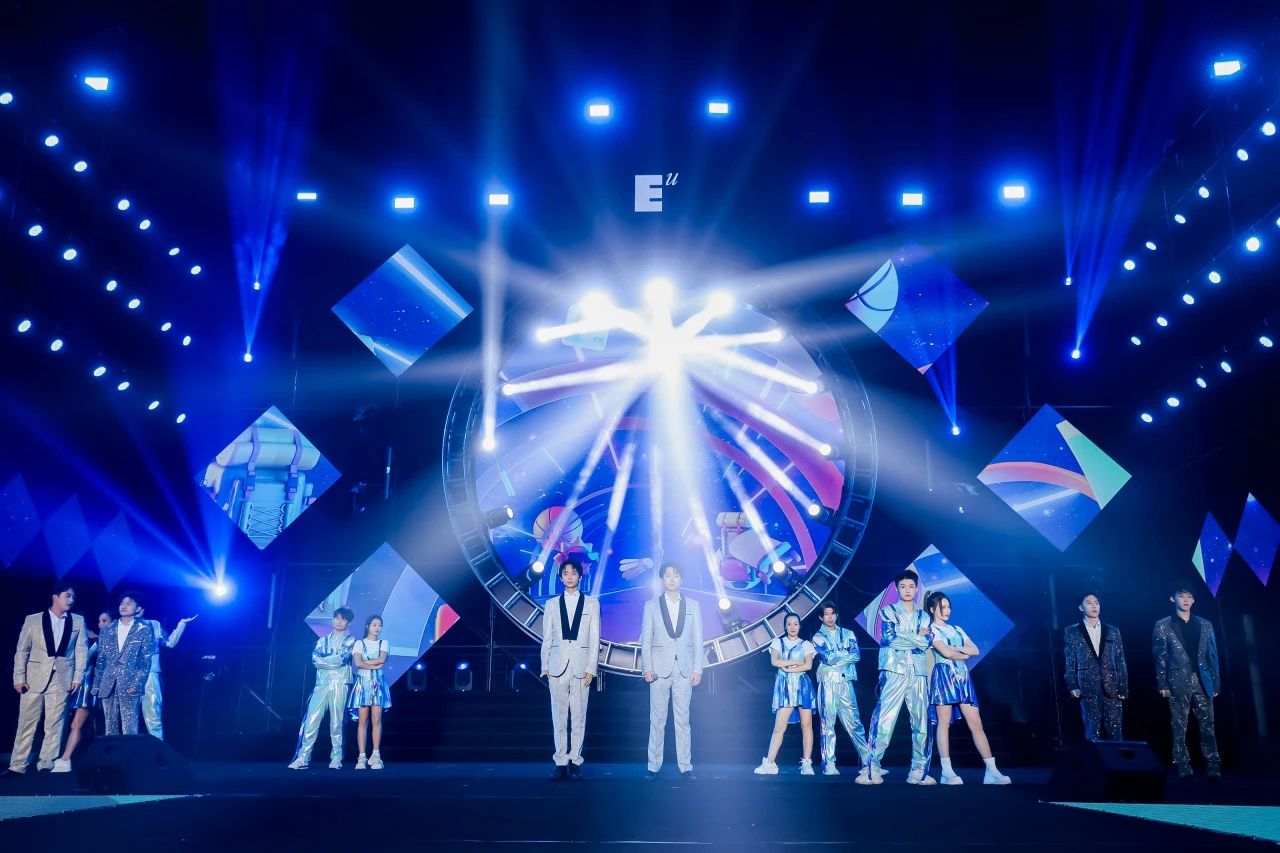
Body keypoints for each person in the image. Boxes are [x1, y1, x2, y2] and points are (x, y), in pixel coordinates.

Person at [926, 592, 1010, 785]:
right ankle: (947, 772)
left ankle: (992, 771)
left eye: (948, 607)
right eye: (942, 607)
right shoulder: (931, 630)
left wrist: (957, 650)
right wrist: (963, 653)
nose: (946, 610)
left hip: (963, 677)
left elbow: (975, 650)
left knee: (976, 723)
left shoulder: (957, 629)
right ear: (932, 609)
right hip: (944, 676)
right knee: (944, 723)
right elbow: (946, 653)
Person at [859, 569, 934, 786]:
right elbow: (890, 638)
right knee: (885, 719)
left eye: (911, 586)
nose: (907, 590)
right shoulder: (888, 611)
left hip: (918, 671)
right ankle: (872, 768)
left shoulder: (924, 616)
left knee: (921, 721)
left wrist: (907, 635)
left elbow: (927, 643)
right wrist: (915, 637)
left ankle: (918, 770)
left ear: (917, 589)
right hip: (894, 669)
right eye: (903, 586)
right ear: (897, 589)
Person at [6, 582, 87, 776]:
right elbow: (22, 650)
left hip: (62, 678)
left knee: (55, 723)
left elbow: (81, 651)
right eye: (67, 595)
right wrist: (19, 678)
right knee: (26, 723)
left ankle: (46, 763)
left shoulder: (78, 621)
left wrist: (77, 677)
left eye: (73, 596)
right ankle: (17, 765)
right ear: (55, 597)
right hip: (33, 679)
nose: (71, 600)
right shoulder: (33, 620)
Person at [640, 562, 704, 781]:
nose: (672, 579)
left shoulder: (693, 605)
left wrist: (698, 669)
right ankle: (653, 766)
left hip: (685, 669)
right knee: (657, 719)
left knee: (683, 720)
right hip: (658, 669)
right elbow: (646, 639)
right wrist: (647, 667)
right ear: (662, 579)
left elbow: (698, 639)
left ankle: (686, 767)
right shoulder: (651, 605)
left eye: (676, 575)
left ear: (681, 579)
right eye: (668, 575)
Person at [540, 559, 600, 781]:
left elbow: (594, 638)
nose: (569, 576)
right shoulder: (551, 604)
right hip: (557, 665)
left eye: (573, 573)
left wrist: (591, 667)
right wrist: (545, 665)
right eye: (565, 573)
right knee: (558, 716)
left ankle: (575, 762)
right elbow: (547, 637)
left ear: (580, 576)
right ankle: (560, 762)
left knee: (578, 717)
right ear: (560, 577)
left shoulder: (592, 603)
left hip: (581, 666)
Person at [1153, 584, 1221, 780]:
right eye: (1181, 596)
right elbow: (1160, 657)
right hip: (1177, 680)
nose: (1185, 599)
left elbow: (1212, 655)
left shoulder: (1205, 624)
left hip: (1202, 679)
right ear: (1173, 599)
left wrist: (1215, 682)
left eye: (1189, 596)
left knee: (1208, 724)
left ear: (1193, 600)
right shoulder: (1163, 625)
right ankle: (1183, 765)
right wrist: (1162, 683)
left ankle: (1214, 765)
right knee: (1179, 725)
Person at [290, 606, 356, 770]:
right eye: (337, 618)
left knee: (337, 722)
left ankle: (336, 758)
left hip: (341, 683)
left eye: (343, 619)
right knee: (311, 720)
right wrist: (331, 661)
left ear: (348, 622)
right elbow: (315, 660)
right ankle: (303, 757)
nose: (339, 622)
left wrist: (325, 661)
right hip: (321, 683)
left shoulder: (351, 641)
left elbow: (343, 658)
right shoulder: (322, 641)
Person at [754, 613, 817, 775]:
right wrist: (796, 662)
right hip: (785, 688)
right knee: (779, 727)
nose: (793, 627)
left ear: (800, 626)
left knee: (806, 725)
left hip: (802, 686)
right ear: (785, 626)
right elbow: (774, 661)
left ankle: (807, 763)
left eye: (795, 624)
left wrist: (788, 668)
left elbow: (808, 665)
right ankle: (770, 763)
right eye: (789, 624)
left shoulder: (806, 644)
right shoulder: (778, 642)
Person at [811, 601, 869, 776]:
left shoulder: (848, 633)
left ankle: (868, 761)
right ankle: (829, 763)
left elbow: (856, 655)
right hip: (828, 682)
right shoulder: (817, 637)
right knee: (828, 723)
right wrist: (844, 654)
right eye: (826, 614)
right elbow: (827, 657)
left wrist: (838, 657)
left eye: (832, 613)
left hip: (845, 681)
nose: (830, 617)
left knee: (855, 722)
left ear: (836, 615)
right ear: (821, 617)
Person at [1063, 592, 1127, 741]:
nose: (1094, 606)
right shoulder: (1072, 631)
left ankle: (1116, 757)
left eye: (1096, 603)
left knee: (1115, 730)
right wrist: (1072, 685)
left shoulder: (1113, 631)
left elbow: (1120, 660)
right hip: (1087, 685)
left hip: (1111, 685)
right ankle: (1094, 756)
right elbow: (1070, 660)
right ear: (1081, 607)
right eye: (1089, 603)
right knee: (1092, 730)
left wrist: (1123, 687)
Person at [55, 611, 113, 772]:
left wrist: (97, 639)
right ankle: (66, 758)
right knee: (79, 724)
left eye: (105, 621)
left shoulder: (112, 641)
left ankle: (103, 762)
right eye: (99, 621)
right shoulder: (93, 643)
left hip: (103, 687)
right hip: (88, 685)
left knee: (101, 726)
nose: (101, 624)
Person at [93, 592, 156, 736]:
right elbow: (101, 659)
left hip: (130, 684)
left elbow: (145, 659)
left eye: (129, 604)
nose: (124, 606)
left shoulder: (144, 629)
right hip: (108, 683)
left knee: (130, 727)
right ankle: (111, 751)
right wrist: (97, 683)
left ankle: (128, 751)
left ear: (138, 608)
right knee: (109, 727)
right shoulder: (107, 630)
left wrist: (137, 683)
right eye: (122, 603)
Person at [134, 606, 197, 741]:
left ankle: (157, 749)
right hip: (127, 676)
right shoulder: (120, 628)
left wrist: (181, 624)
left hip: (150, 674)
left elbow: (169, 643)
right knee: (127, 717)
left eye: (139, 606)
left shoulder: (153, 624)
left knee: (153, 714)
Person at [349, 614, 390, 770]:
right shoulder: (359, 643)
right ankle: (361, 757)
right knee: (362, 721)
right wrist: (373, 665)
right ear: (367, 626)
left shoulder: (383, 643)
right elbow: (357, 663)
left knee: (376, 719)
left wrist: (366, 663)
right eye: (374, 625)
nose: (377, 628)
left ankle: (376, 755)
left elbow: (382, 660)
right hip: (363, 683)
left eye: (379, 625)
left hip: (378, 683)